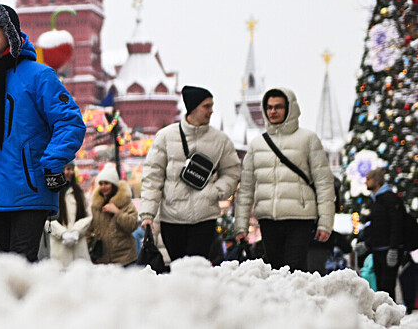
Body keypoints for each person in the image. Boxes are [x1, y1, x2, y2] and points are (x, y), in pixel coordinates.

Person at [0, 3, 86, 263]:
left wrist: (52, 163)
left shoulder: (39, 76)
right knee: (9, 267)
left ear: (10, 32)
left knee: (22, 265)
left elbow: (70, 122)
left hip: (29, 192)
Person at [233, 87, 335, 272]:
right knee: (275, 270)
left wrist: (325, 223)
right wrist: (240, 225)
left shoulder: (308, 139)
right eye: (269, 107)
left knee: (295, 269)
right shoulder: (257, 144)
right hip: (268, 219)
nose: (273, 111)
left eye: (278, 107)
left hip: (300, 218)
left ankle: (297, 301)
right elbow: (246, 188)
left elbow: (324, 183)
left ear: (290, 108)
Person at [139, 86, 241, 262]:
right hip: (172, 219)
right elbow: (152, 178)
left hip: (204, 217)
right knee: (178, 265)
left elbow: (232, 171)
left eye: (211, 106)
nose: (211, 111)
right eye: (206, 106)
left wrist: (216, 192)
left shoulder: (220, 140)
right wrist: (147, 214)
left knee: (196, 265)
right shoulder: (165, 137)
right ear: (193, 108)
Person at [360, 168, 403, 300]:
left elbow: (397, 224)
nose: (366, 182)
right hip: (378, 249)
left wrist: (394, 247)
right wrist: (367, 243)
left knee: (387, 286)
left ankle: (390, 314)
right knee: (381, 286)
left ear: (376, 181)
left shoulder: (389, 199)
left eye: (368, 179)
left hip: (388, 248)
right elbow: (376, 227)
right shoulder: (376, 200)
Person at [86, 162, 138, 266]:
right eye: (101, 184)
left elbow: (133, 225)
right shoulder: (95, 207)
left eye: (107, 183)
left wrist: (117, 212)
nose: (103, 187)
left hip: (125, 259)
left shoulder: (125, 203)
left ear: (113, 185)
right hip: (102, 260)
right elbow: (89, 230)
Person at [46, 161, 92, 267]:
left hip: (79, 248)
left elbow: (88, 216)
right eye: (67, 169)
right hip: (59, 250)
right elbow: (46, 220)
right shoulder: (52, 193)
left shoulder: (78, 193)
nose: (70, 172)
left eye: (72, 169)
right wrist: (62, 233)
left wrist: (76, 231)